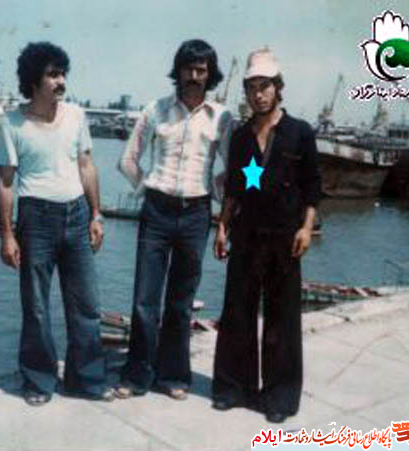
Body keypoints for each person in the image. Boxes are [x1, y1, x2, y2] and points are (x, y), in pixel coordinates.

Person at [0, 41, 113, 406]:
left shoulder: (76, 116)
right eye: (52, 74)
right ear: (33, 80)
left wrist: (96, 214)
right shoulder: (12, 123)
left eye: (63, 74)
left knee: (87, 305)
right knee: (36, 306)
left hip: (77, 215)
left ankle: (86, 381)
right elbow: (5, 183)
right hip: (36, 219)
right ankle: (38, 381)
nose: (61, 81)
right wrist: (7, 235)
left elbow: (87, 167)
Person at [116, 39, 233, 400]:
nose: (194, 76)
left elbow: (236, 168)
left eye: (201, 70)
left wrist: (213, 194)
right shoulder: (155, 110)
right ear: (178, 71)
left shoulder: (222, 118)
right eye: (188, 68)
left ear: (210, 75)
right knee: (144, 299)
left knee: (181, 301)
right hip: (157, 211)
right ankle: (136, 375)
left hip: (196, 214)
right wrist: (147, 187)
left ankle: (172, 376)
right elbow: (127, 160)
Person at [211, 48, 321, 422]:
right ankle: (232, 388)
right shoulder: (241, 137)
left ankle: (280, 396)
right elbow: (233, 189)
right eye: (252, 88)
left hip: (285, 237)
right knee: (237, 312)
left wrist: (306, 227)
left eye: (265, 86)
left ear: (278, 88)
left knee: (282, 319)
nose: (258, 95)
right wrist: (222, 227)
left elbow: (313, 186)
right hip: (246, 235)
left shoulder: (300, 132)